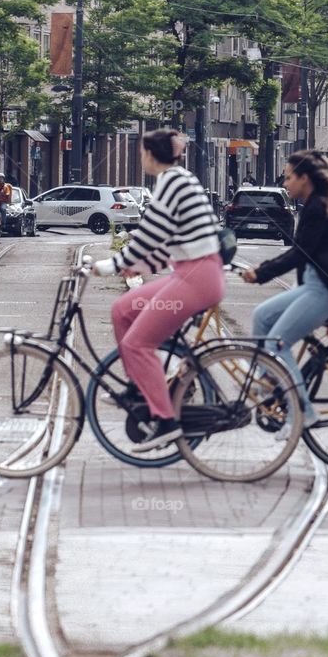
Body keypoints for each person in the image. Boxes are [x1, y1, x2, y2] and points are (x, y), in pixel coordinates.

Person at [92, 128, 225, 453]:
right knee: (122, 310)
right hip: (191, 272)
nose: (141, 158)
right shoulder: (180, 178)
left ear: (151, 155)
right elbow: (167, 242)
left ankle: (166, 421)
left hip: (196, 278)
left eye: (142, 153)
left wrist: (114, 263)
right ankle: (141, 390)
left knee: (138, 343)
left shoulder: (172, 182)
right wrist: (139, 266)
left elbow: (152, 232)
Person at [242, 149, 328, 426]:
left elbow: (298, 254)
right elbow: (305, 257)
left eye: (289, 178)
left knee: (277, 344)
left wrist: (260, 272)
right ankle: (270, 381)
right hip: (314, 287)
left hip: (324, 290)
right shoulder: (313, 204)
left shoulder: (317, 208)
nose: (285, 184)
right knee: (261, 316)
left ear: (305, 179)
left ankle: (302, 414)